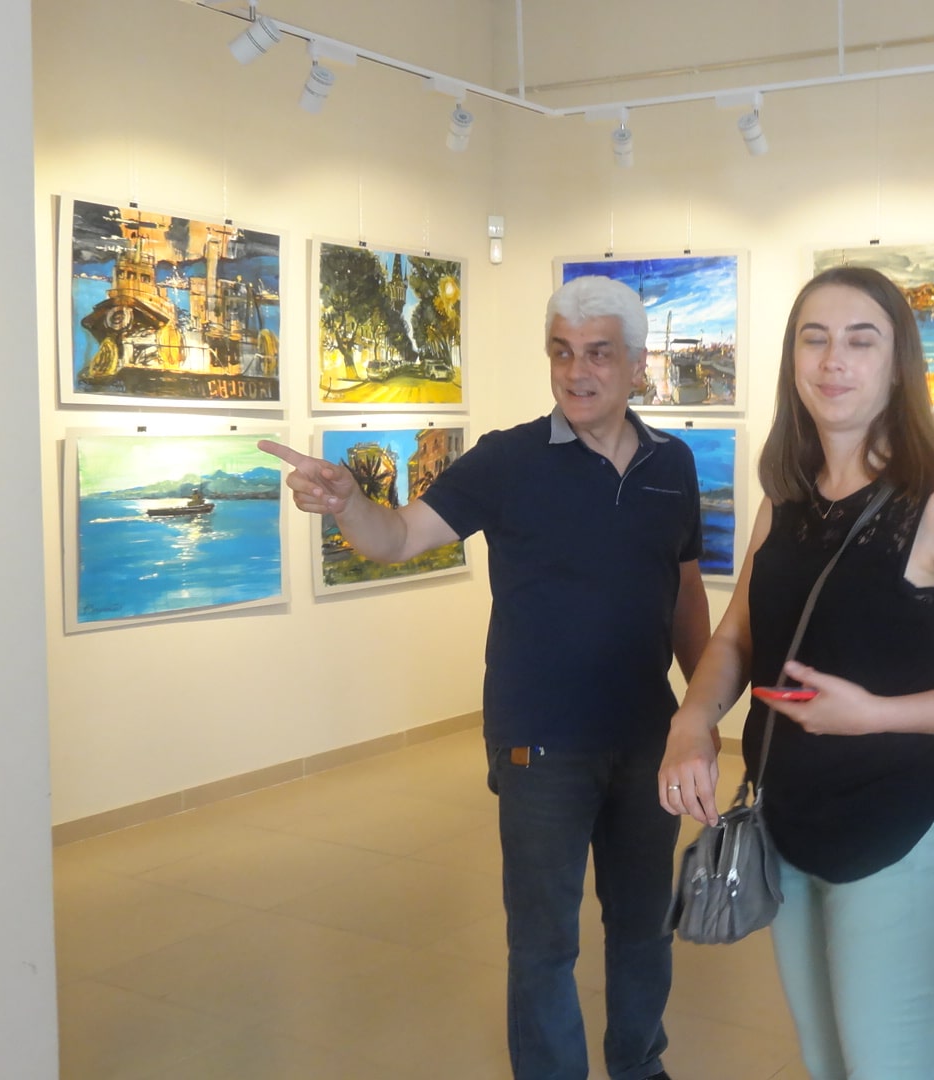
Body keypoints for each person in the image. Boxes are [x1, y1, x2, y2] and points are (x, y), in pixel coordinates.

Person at [260, 276, 709, 1080]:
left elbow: (683, 590)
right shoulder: (507, 459)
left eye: (599, 354)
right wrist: (348, 505)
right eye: (561, 353)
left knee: (644, 928)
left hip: (648, 738)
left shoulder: (672, 464)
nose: (576, 372)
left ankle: (640, 1066)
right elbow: (398, 538)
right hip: (541, 744)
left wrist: (699, 714)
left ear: (637, 364)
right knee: (543, 944)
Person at [658, 266, 934, 1080]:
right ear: (792, 360)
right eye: (815, 339)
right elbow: (735, 638)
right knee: (829, 1063)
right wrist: (691, 721)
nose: (834, 360)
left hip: (896, 833)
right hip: (788, 824)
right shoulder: (784, 500)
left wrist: (874, 714)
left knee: (887, 1066)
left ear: (897, 365)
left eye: (861, 341)